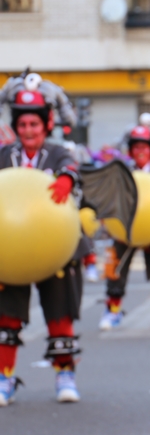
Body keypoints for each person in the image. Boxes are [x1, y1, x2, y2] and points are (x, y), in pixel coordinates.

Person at [0, 76, 83, 405]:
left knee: (59, 316)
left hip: (56, 249)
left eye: (35, 123)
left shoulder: (59, 152)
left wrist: (66, 178)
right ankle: (4, 378)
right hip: (11, 251)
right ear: (16, 126)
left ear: (46, 124)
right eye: (23, 124)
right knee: (6, 317)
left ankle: (66, 374)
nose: (29, 130)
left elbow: (72, 168)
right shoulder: (5, 155)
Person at [98, 122, 150, 330]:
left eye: (144, 147)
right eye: (136, 147)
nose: (140, 151)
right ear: (131, 150)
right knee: (115, 271)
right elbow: (108, 200)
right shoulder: (122, 173)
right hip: (124, 232)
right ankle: (112, 311)